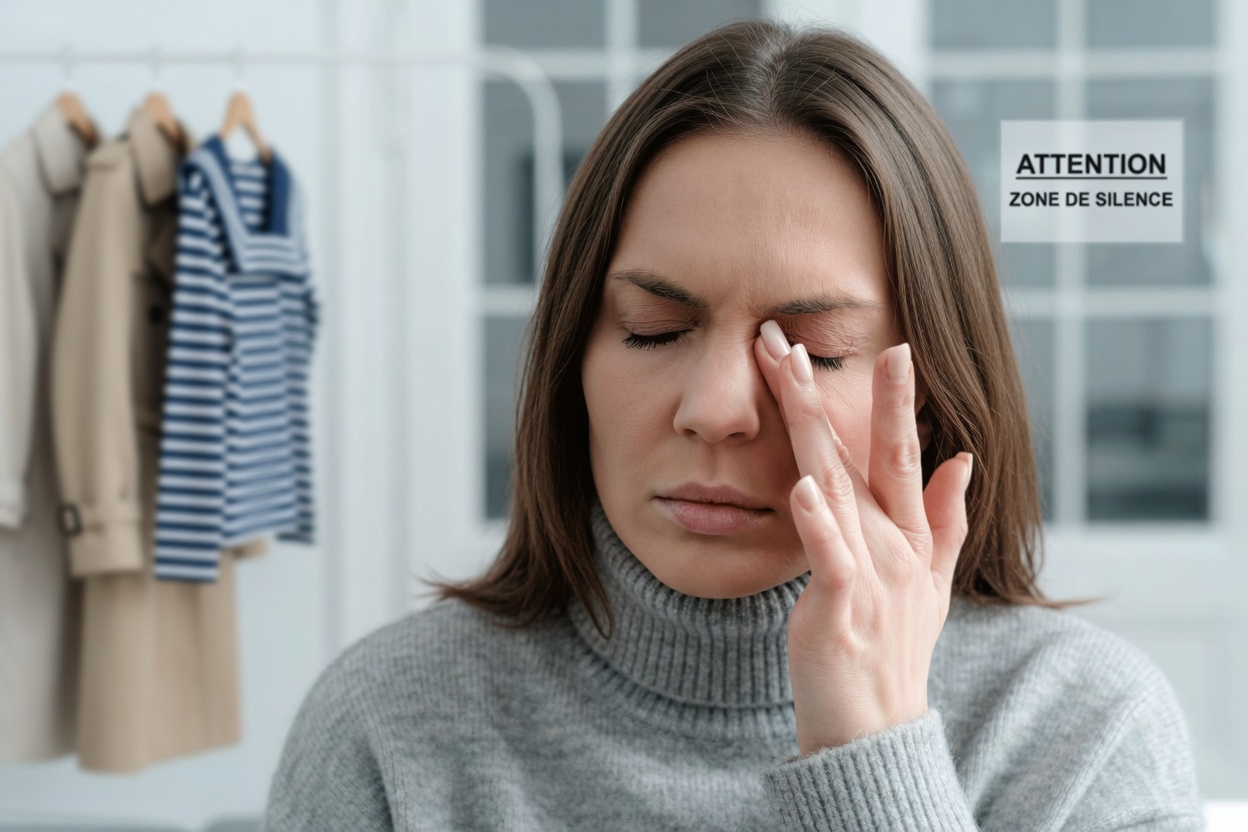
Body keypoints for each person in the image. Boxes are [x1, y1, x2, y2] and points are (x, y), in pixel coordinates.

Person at [264, 19, 1204, 831]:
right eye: (653, 330)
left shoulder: (1082, 729)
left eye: (814, 351)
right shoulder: (387, 723)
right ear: (572, 360)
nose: (715, 409)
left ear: (926, 390)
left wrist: (875, 749)